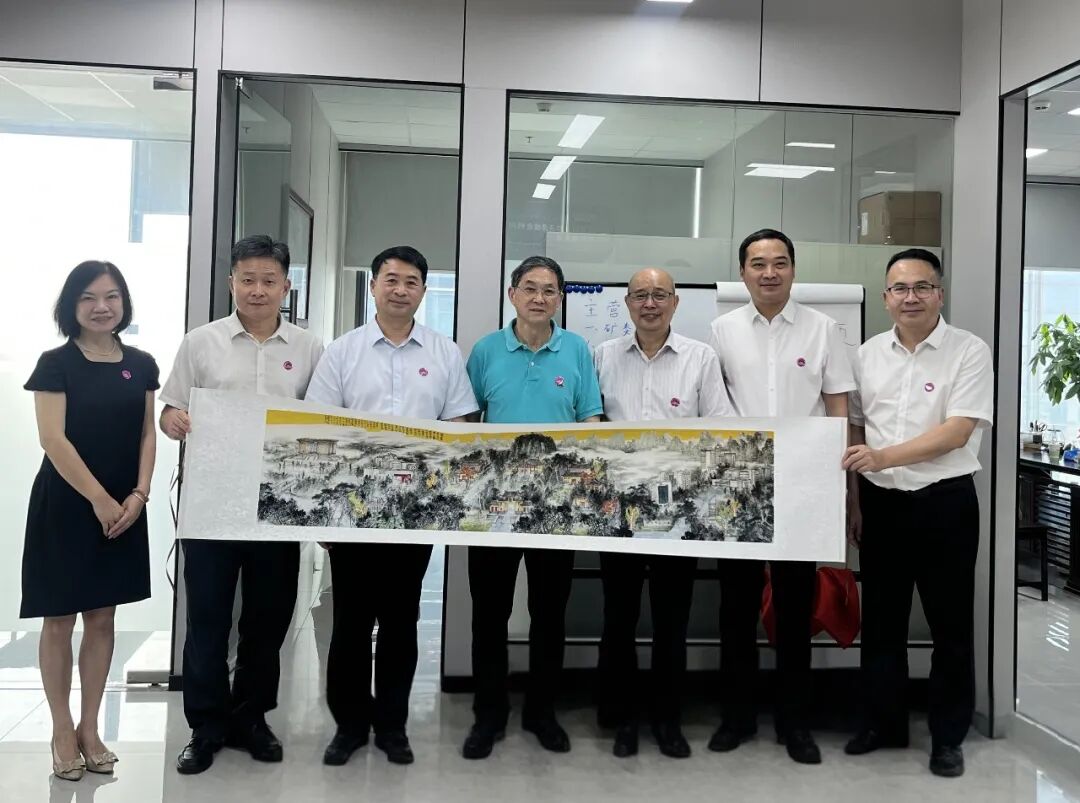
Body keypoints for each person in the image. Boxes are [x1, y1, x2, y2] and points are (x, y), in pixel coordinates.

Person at [304, 245, 478, 767]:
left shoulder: (443, 353)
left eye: (411, 282)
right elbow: (318, 427)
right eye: (391, 280)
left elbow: (461, 427)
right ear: (374, 286)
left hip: (415, 514)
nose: (400, 290)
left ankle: (393, 725)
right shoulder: (343, 352)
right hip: (353, 512)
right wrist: (323, 514)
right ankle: (349, 726)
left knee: (402, 620)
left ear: (423, 290)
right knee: (351, 622)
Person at [160, 235, 324, 775]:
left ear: (285, 286)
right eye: (247, 279)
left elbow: (323, 419)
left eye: (268, 280)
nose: (257, 290)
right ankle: (206, 727)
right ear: (231, 282)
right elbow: (170, 409)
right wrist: (173, 421)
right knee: (207, 620)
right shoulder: (200, 343)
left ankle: (252, 718)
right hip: (210, 503)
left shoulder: (309, 348)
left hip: (279, 506)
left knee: (266, 620)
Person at [706, 228, 855, 765]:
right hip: (739, 488)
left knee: (795, 611)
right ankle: (737, 717)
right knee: (735, 610)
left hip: (804, 486)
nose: (769, 273)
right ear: (742, 272)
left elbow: (837, 407)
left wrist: (842, 488)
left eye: (779, 262)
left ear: (793, 268)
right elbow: (713, 405)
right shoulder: (721, 330)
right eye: (758, 263)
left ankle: (795, 724)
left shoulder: (823, 329)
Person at [842, 248, 992, 779]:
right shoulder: (866, 355)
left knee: (950, 625)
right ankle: (883, 724)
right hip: (881, 505)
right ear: (886, 298)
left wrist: (884, 458)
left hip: (944, 504)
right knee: (882, 623)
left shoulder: (968, 350)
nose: (911, 297)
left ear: (939, 294)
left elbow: (957, 431)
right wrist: (855, 499)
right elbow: (856, 428)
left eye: (922, 287)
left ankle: (947, 737)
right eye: (900, 288)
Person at [461, 255, 603, 759]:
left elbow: (590, 420)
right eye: (530, 288)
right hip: (493, 510)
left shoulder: (577, 350)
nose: (539, 297)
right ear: (512, 294)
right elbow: (465, 420)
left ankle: (542, 712)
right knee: (489, 615)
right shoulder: (486, 350)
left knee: (549, 614)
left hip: (556, 509)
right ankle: (488, 715)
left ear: (560, 299)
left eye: (549, 290)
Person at [23, 261, 158, 781]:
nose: (102, 307)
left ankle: (89, 727)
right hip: (66, 505)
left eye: (111, 296)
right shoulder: (55, 363)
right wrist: (100, 499)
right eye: (88, 297)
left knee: (103, 618)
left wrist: (139, 495)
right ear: (71, 305)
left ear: (124, 302)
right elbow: (52, 439)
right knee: (59, 619)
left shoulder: (141, 364)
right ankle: (61, 730)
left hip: (125, 507)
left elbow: (147, 433)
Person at [593, 268, 735, 759]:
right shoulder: (602, 356)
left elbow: (721, 429)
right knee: (619, 619)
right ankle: (623, 719)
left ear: (675, 303)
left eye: (659, 295)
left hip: (680, 516)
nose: (649, 304)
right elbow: (587, 426)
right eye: (640, 295)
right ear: (627, 303)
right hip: (617, 516)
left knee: (672, 621)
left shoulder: (701, 358)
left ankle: (667, 720)